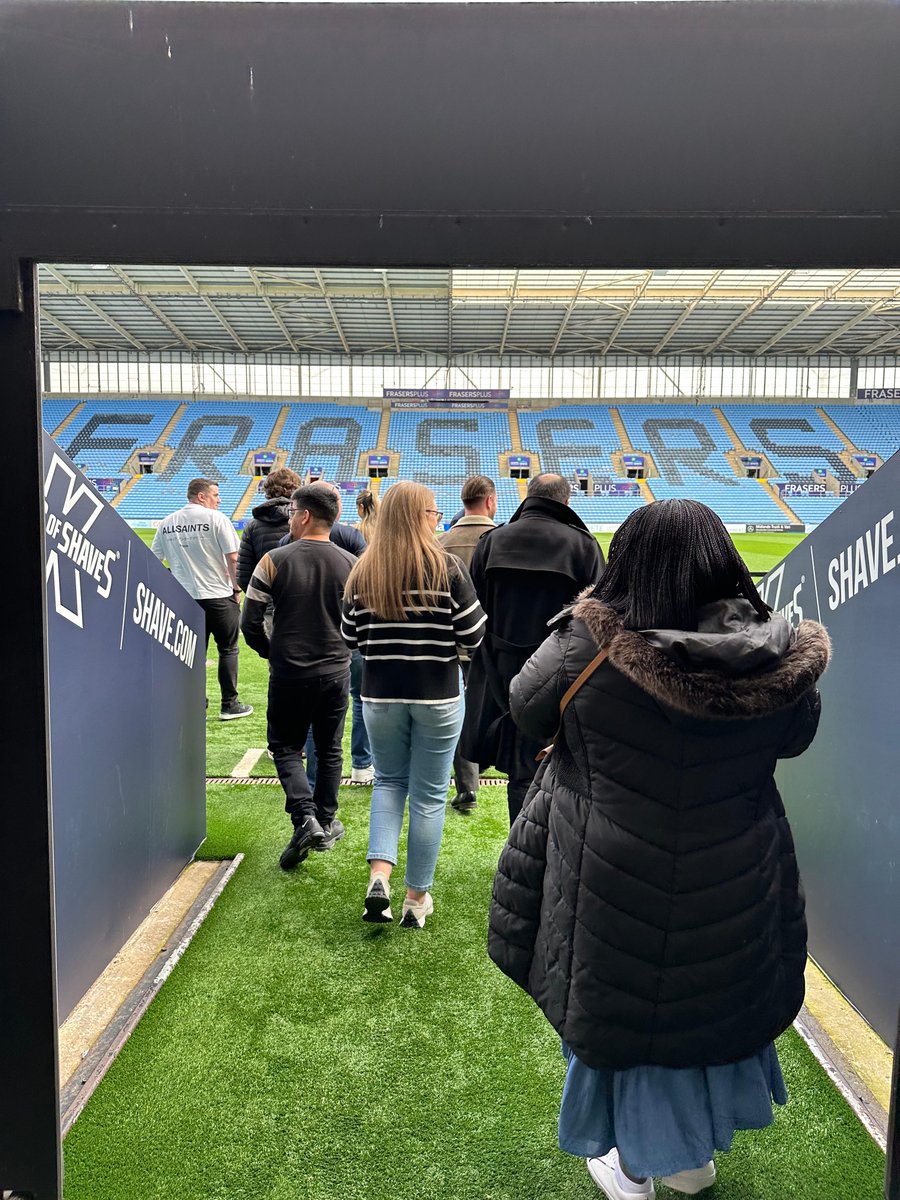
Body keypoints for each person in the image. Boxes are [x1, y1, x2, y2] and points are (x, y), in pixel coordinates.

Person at [488, 499, 831, 1200]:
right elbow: (796, 736)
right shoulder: (777, 647)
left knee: (622, 1012)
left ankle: (638, 1164)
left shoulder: (586, 641)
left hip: (609, 870)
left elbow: (524, 706)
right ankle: (683, 1158)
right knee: (708, 1003)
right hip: (737, 866)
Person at [340, 481, 486, 929]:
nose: (437, 520)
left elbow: (351, 638)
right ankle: (415, 898)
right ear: (421, 516)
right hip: (438, 695)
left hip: (380, 696)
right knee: (427, 798)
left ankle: (378, 877)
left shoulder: (364, 570)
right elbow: (475, 635)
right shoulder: (448, 568)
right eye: (434, 513)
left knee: (388, 785)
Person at [459, 473, 604, 823]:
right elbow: (600, 621)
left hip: (502, 677)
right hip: (564, 678)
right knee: (567, 774)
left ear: (529, 496)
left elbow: (476, 610)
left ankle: (519, 859)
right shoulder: (583, 546)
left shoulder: (492, 542)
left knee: (520, 775)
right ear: (566, 502)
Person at [241, 485, 356, 868]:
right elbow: (362, 622)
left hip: (290, 671)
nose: (289, 517)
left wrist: (271, 652)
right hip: (335, 671)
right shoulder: (351, 563)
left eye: (292, 511)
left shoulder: (274, 559)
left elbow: (250, 620)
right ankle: (322, 820)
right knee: (330, 748)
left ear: (304, 515)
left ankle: (306, 818)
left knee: (286, 746)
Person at [278, 481, 374, 784]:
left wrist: (274, 646)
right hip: (347, 638)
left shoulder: (283, 547)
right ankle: (361, 765)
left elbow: (262, 607)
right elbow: (367, 580)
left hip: (302, 644)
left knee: (310, 715)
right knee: (359, 700)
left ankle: (315, 783)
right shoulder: (352, 538)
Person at [151, 477, 252, 720]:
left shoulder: (167, 522)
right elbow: (234, 558)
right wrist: (236, 589)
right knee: (228, 649)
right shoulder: (216, 518)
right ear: (201, 496)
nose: (219, 500)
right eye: (215, 495)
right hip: (219, 595)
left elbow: (154, 560)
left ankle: (196, 706)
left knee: (192, 654)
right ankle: (230, 704)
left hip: (185, 599)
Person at [437, 474, 498, 812]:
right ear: (489, 501)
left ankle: (468, 783)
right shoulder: (503, 538)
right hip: (497, 640)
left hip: (451, 640)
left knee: (461, 708)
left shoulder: (441, 542)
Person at [236, 466, 303, 593]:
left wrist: (260, 599)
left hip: (266, 605)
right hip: (298, 602)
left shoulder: (252, 526)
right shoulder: (305, 520)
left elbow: (243, 576)